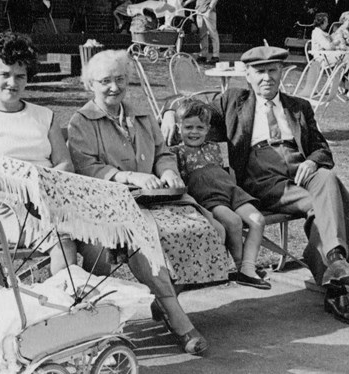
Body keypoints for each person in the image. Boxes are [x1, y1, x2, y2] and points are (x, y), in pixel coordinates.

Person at [161, 45, 349, 326]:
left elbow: (321, 149)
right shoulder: (233, 101)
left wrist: (313, 161)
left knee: (328, 179)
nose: (267, 78)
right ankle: (336, 283)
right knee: (340, 204)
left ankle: (333, 260)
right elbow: (187, 103)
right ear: (247, 74)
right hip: (262, 176)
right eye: (259, 72)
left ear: (282, 72)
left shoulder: (299, 107)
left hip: (300, 170)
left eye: (273, 70)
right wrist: (169, 112)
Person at [68, 49, 230, 355]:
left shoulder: (140, 114)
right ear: (90, 84)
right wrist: (131, 176)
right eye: (105, 81)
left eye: (120, 79)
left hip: (157, 199)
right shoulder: (82, 122)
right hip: (112, 205)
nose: (114, 87)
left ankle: (165, 301)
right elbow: (86, 169)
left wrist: (167, 171)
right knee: (148, 241)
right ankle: (181, 322)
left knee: (212, 230)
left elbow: (162, 153)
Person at [0, 32, 77, 275]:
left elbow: (64, 163)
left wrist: (43, 188)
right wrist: (23, 192)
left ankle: (96, 307)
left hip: (51, 198)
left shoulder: (44, 116)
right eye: (5, 74)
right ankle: (66, 304)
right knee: (63, 242)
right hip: (7, 206)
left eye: (20, 76)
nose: (13, 82)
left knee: (101, 242)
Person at [171, 99, 270, 289]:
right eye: (188, 127)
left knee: (257, 219)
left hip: (231, 191)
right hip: (209, 197)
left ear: (208, 128)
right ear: (178, 127)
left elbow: (227, 172)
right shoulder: (177, 152)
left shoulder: (214, 147)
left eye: (199, 127)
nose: (194, 132)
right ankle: (243, 269)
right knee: (233, 221)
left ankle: (248, 267)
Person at [184, 0, 219, 64]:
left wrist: (209, 9)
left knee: (213, 34)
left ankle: (215, 56)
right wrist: (186, 2)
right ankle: (203, 54)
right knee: (202, 35)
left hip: (208, 11)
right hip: (199, 11)